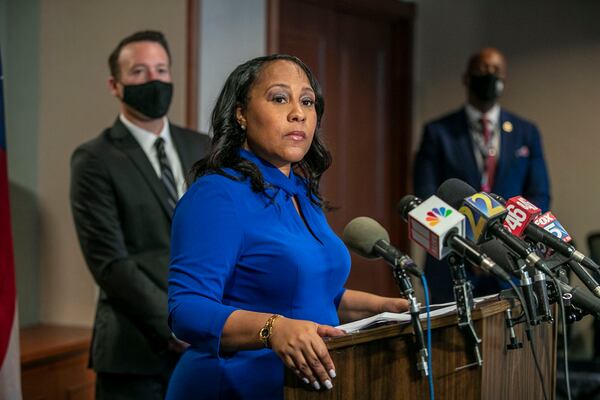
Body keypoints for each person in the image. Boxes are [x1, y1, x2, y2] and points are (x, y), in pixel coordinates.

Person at [166, 54, 409, 399]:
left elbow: (310, 294)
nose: (298, 112)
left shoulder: (302, 193)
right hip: (232, 385)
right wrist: (273, 329)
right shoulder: (217, 195)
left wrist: (382, 308)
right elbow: (186, 309)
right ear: (240, 114)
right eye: (280, 98)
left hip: (300, 388)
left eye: (307, 101)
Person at [70, 30, 211, 399]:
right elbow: (110, 263)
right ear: (115, 85)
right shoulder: (94, 159)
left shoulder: (202, 147)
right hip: (135, 353)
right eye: (139, 72)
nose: (154, 80)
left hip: (208, 345)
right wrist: (174, 324)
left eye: (162, 70)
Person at [413, 47, 551, 303]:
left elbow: (539, 195)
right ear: (467, 78)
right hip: (453, 262)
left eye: (496, 71)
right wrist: (471, 249)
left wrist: (501, 247)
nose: (489, 75)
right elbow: (426, 198)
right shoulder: (438, 132)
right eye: (482, 70)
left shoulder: (526, 132)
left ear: (504, 80)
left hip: (511, 261)